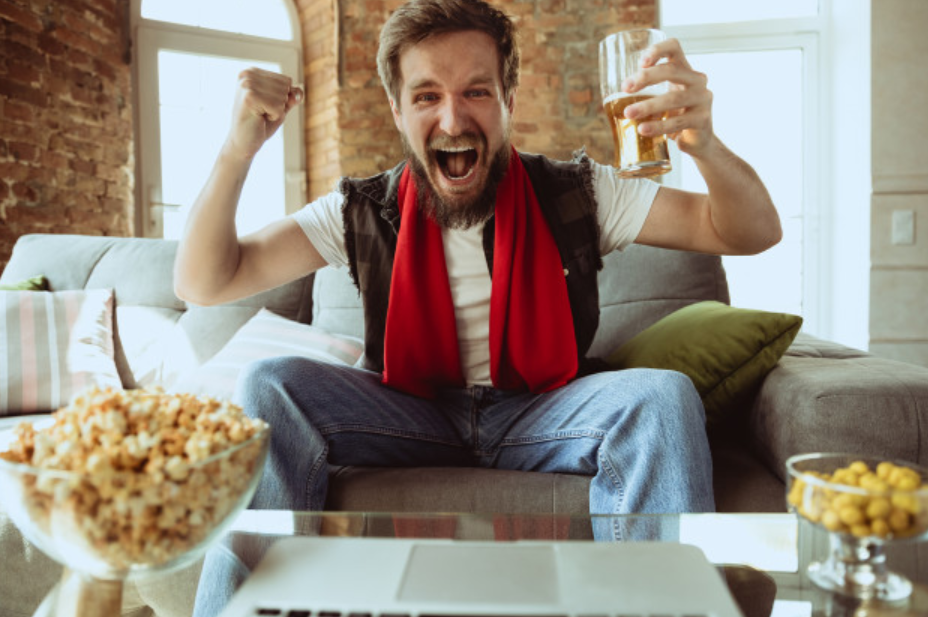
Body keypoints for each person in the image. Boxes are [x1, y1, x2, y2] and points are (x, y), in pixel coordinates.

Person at [179, 0, 780, 613]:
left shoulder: (579, 193)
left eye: (476, 92)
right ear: (397, 110)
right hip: (409, 414)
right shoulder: (360, 210)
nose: (453, 118)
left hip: (544, 410)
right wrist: (235, 152)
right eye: (426, 96)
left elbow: (749, 231)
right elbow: (204, 282)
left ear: (508, 100)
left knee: (662, 395)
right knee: (267, 383)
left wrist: (702, 143)